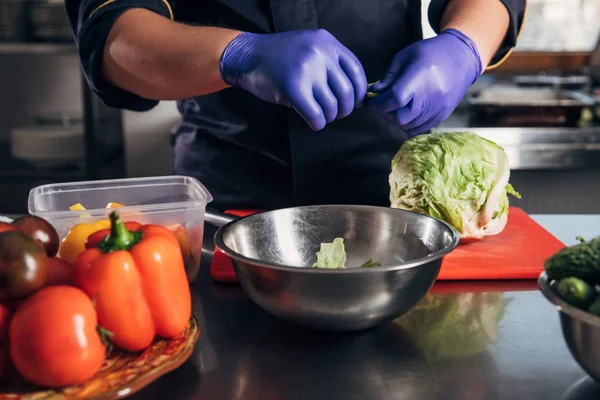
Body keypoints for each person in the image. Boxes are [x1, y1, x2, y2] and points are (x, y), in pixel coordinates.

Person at [65, 0, 526, 210]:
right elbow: (112, 37)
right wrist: (238, 55)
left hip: (394, 200)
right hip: (228, 200)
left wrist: (464, 45)